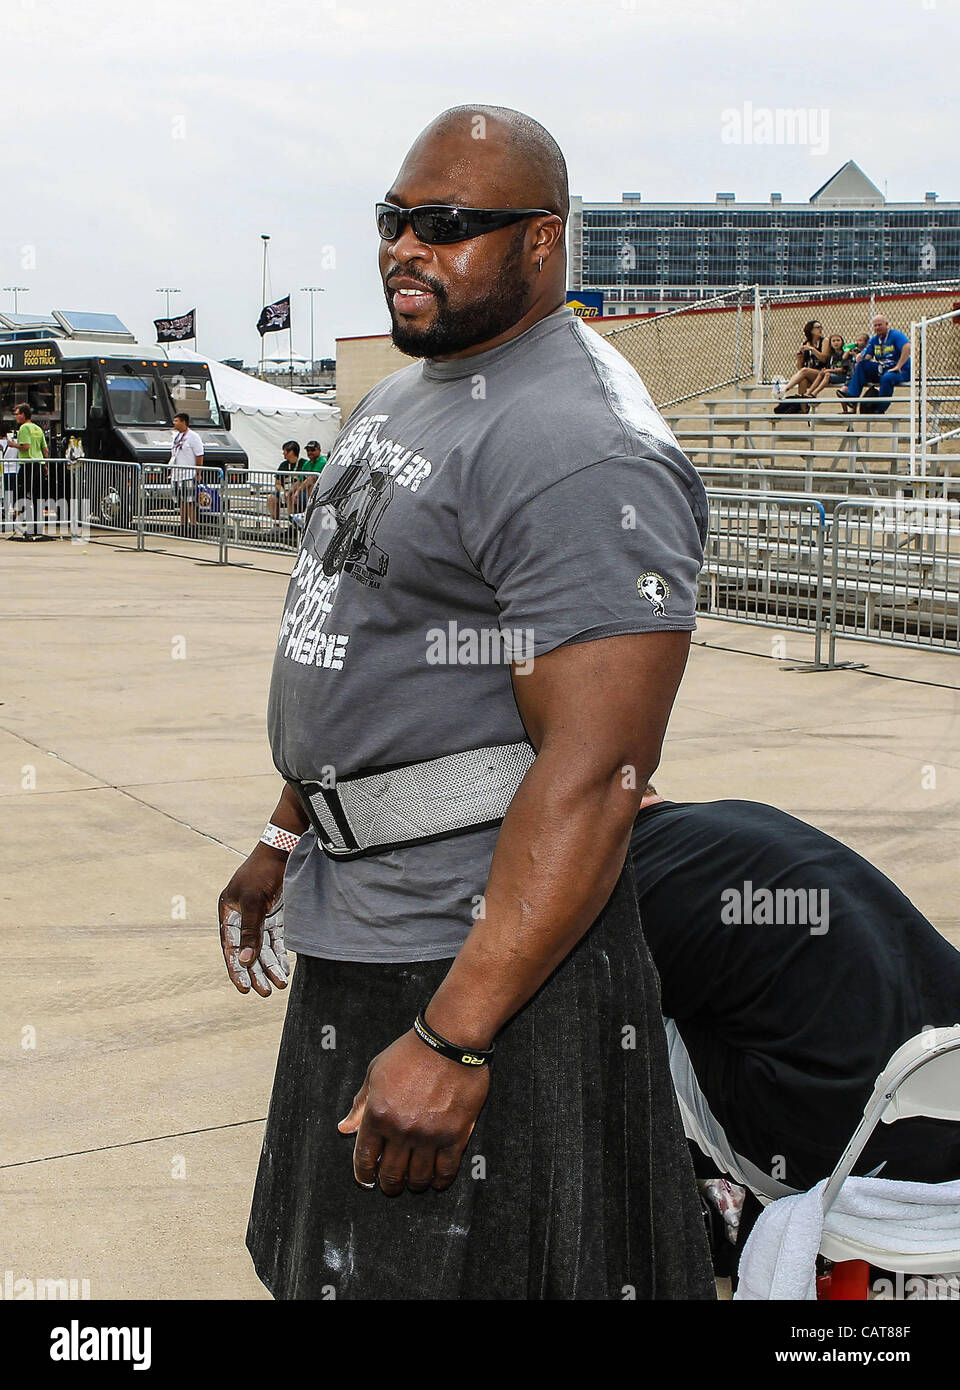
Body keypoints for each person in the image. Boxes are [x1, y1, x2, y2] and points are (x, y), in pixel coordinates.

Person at [219, 104, 715, 1302]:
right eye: (394, 219)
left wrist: (454, 1037)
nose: (403, 247)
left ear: (543, 242)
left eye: (446, 225)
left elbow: (598, 770)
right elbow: (374, 635)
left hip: (475, 959)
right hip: (359, 916)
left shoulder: (581, 444)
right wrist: (287, 832)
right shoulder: (409, 395)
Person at [627, 785, 960, 1200]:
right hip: (944, 1115)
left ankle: (656, 1217)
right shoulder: (740, 817)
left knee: (587, 1017)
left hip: (841, 1164)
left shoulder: (622, 877)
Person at [837, 315, 911, 414]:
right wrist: (861, 356)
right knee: (863, 365)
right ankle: (852, 397)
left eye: (880, 325)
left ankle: (879, 409)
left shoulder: (895, 335)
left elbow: (907, 347)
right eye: (875, 326)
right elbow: (868, 355)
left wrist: (899, 365)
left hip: (900, 370)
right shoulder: (874, 340)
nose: (877, 328)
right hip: (883, 368)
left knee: (887, 378)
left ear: (886, 324)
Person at [12, 403, 49, 538]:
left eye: (17, 414)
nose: (16, 416)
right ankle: (37, 527)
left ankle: (23, 520)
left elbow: (26, 446)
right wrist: (45, 464)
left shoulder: (24, 428)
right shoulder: (37, 428)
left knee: (20, 494)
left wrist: (13, 445)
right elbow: (45, 449)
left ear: (23, 414)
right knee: (37, 497)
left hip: (28, 465)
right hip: (39, 464)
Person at [168, 411, 204, 536]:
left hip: (188, 474)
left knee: (190, 501)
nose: (174, 423)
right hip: (177, 474)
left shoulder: (193, 436)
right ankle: (183, 524)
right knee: (181, 501)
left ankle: (193, 525)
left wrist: (198, 472)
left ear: (184, 422)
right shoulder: (177, 436)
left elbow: (199, 455)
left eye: (176, 421)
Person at [776, 319, 828, 400]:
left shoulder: (824, 341)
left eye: (821, 327)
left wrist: (812, 349)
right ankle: (803, 410)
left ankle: (785, 389)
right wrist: (799, 359)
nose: (820, 329)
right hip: (810, 373)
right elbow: (800, 368)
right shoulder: (805, 344)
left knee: (804, 371)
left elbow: (824, 359)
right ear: (811, 330)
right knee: (802, 380)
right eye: (818, 327)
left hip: (822, 372)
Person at [804, 333, 849, 399]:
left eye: (838, 340)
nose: (836, 343)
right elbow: (828, 366)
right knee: (821, 373)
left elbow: (842, 370)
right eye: (833, 341)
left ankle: (814, 393)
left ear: (842, 342)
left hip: (843, 376)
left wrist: (828, 370)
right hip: (833, 375)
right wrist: (824, 370)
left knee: (827, 374)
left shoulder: (844, 353)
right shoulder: (831, 355)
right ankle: (808, 393)